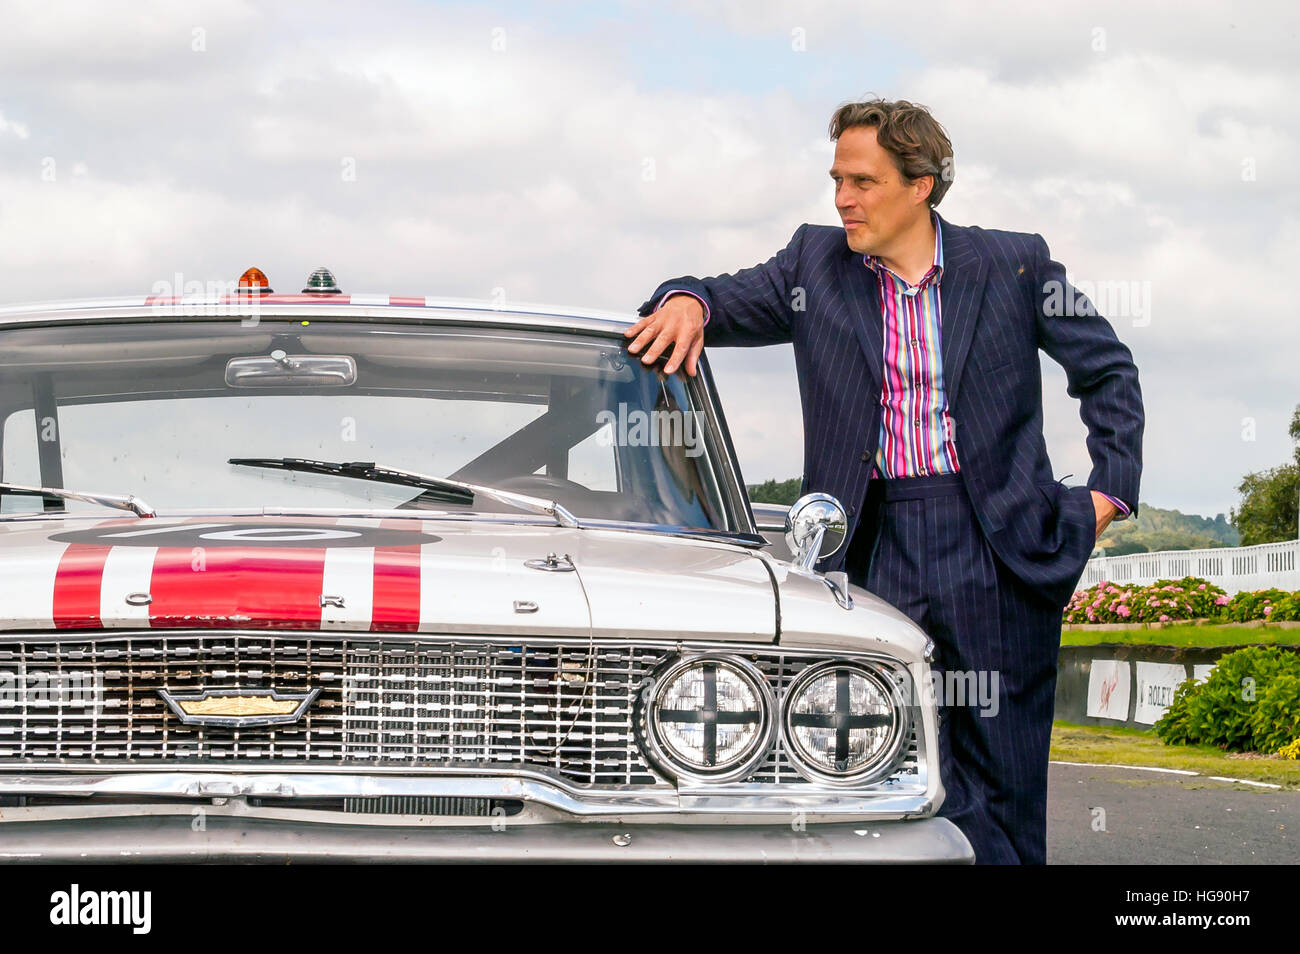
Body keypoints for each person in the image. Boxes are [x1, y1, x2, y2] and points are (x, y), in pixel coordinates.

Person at [625, 98, 1144, 864]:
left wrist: (1107, 497)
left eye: (862, 181)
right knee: (888, 764)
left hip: (1000, 545)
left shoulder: (1015, 263)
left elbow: (1108, 371)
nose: (843, 199)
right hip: (870, 547)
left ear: (922, 184)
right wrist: (686, 300)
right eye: (837, 179)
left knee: (1006, 775)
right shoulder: (813, 265)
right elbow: (713, 295)